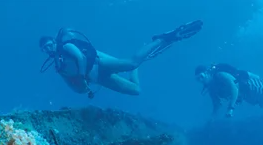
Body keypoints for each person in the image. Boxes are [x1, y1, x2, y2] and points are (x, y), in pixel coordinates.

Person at [40, 21, 203, 98]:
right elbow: (72, 84)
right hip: (98, 78)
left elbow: (80, 58)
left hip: (99, 63)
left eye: (49, 45)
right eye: (44, 49)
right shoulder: (58, 67)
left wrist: (82, 77)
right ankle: (137, 67)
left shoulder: (65, 47)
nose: (48, 49)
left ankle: (162, 38)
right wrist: (83, 89)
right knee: (135, 90)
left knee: (132, 62)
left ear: (54, 42)